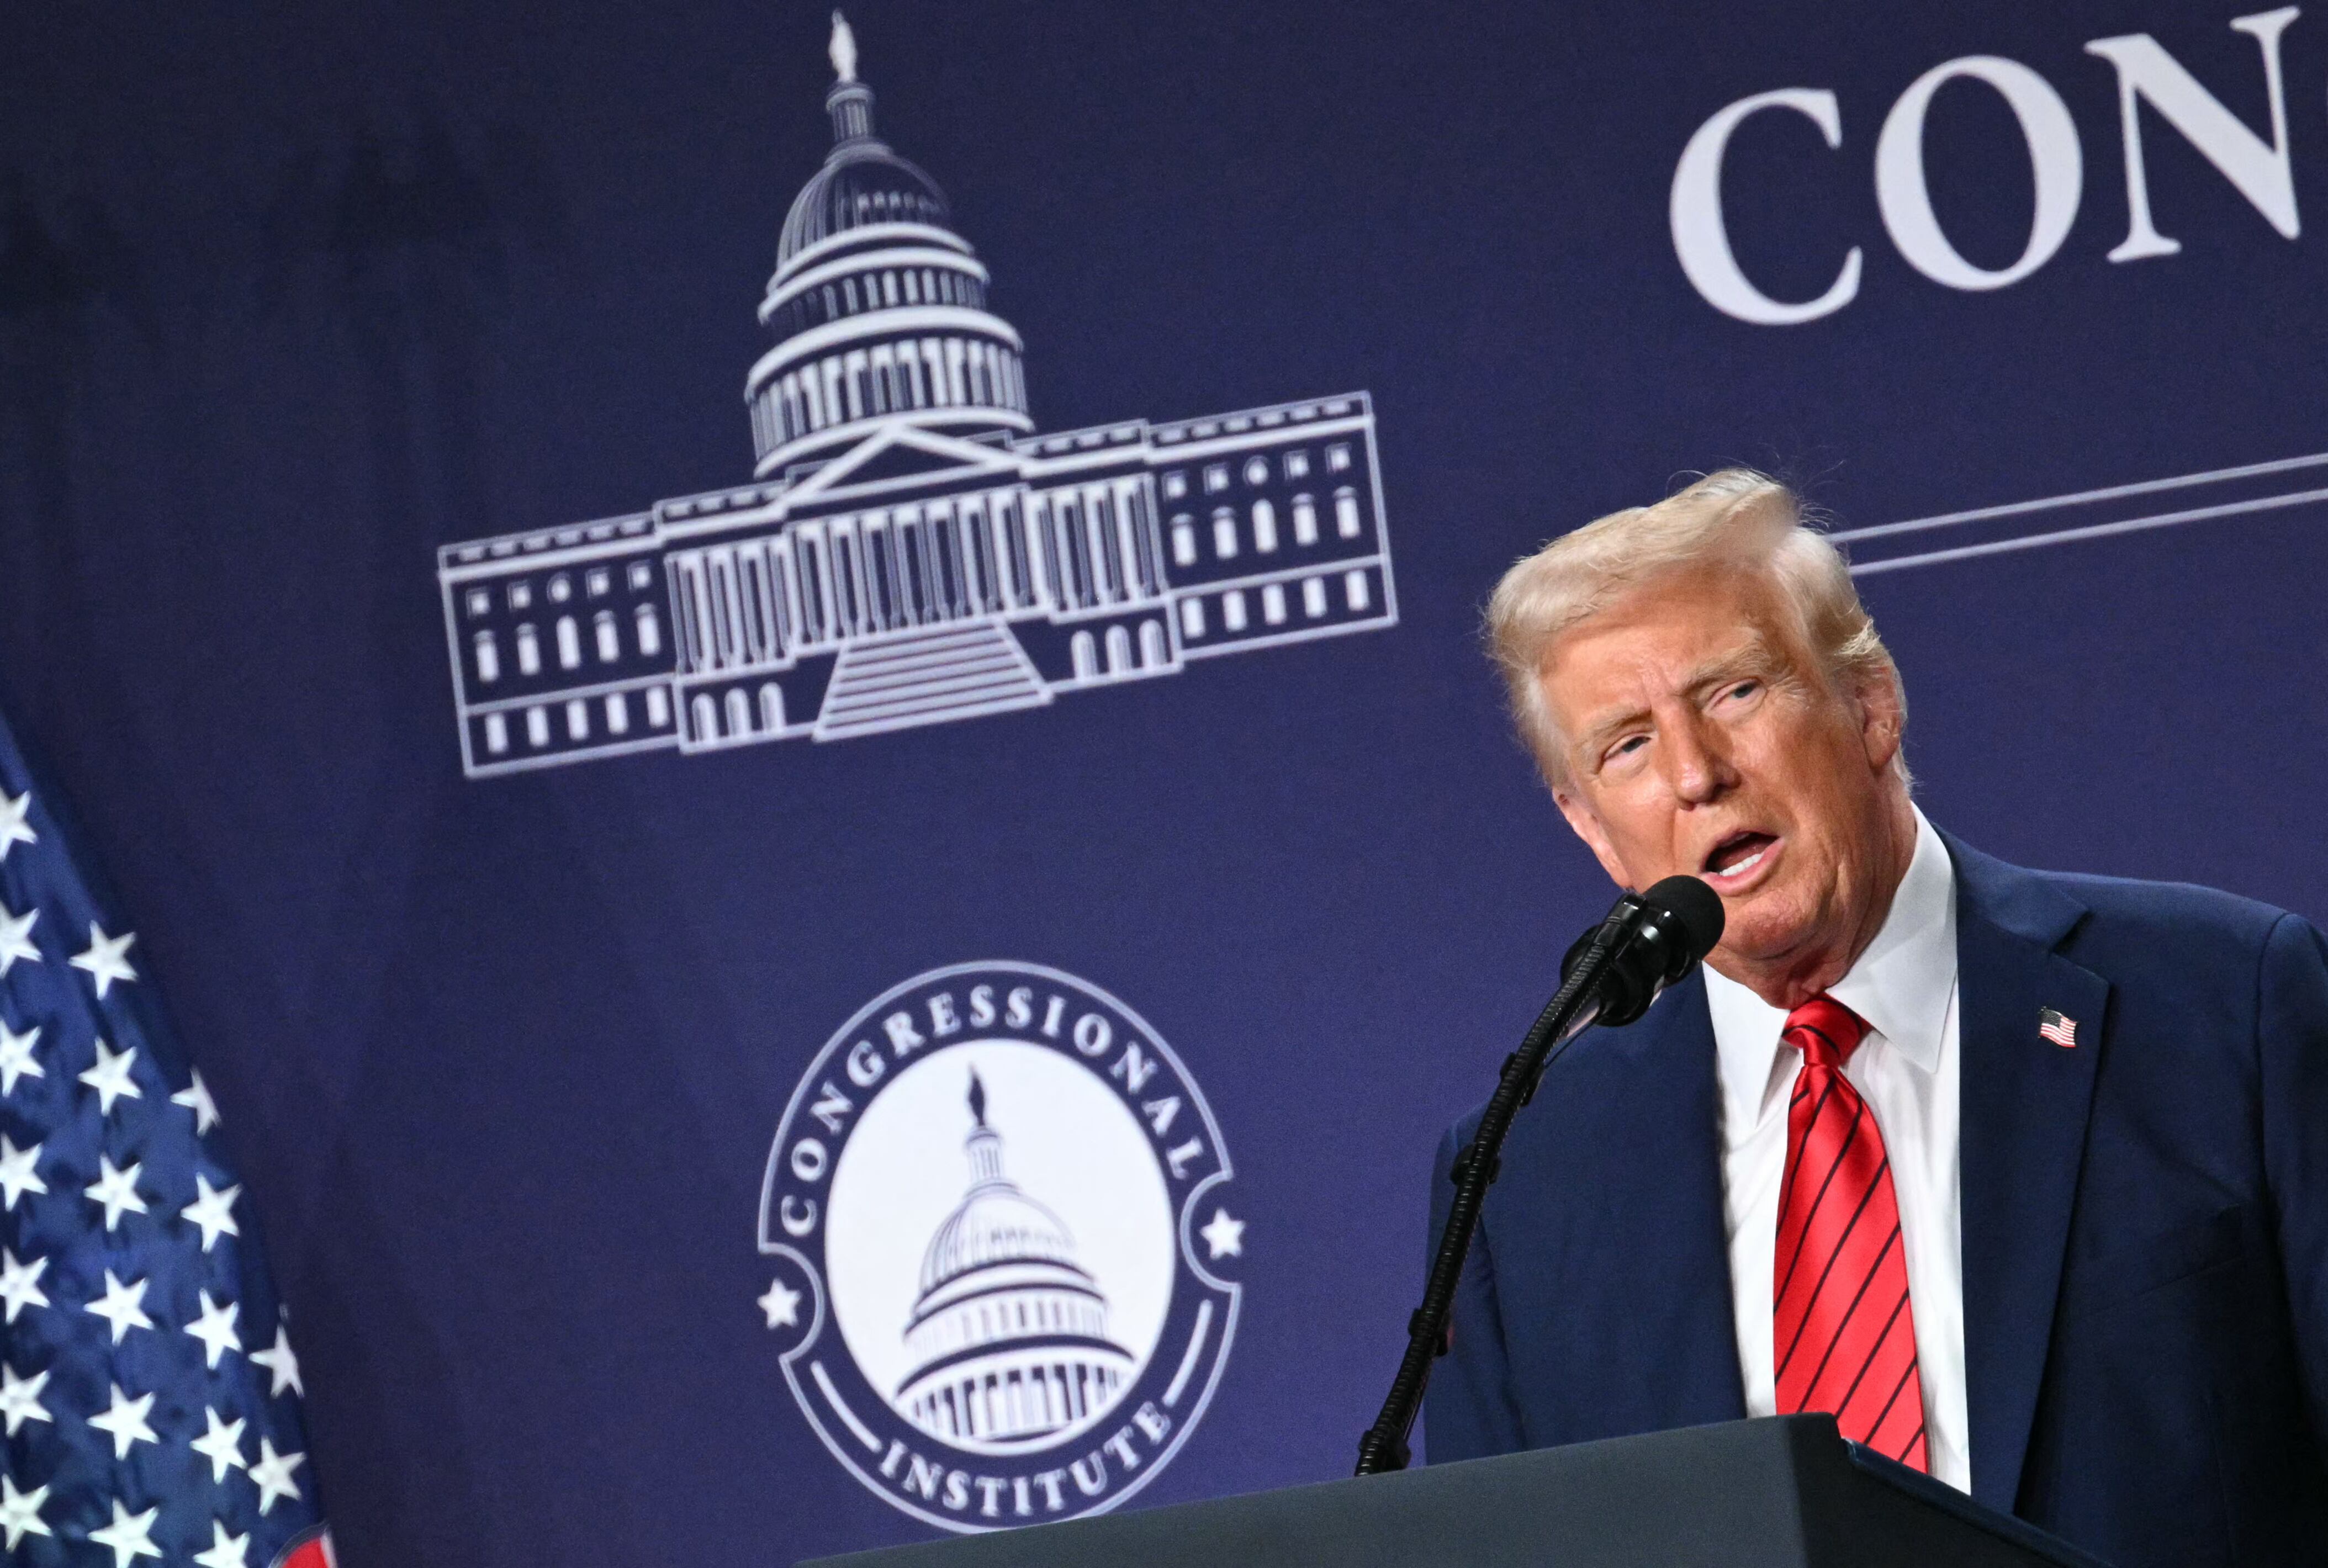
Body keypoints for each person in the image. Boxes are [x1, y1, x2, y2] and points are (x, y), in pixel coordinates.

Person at [1425, 469, 2327, 1567]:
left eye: (1733, 693)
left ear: (1868, 703)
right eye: (1625, 745)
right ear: (1593, 830)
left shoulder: (2224, 1007)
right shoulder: (1523, 1178)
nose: (1695, 774)